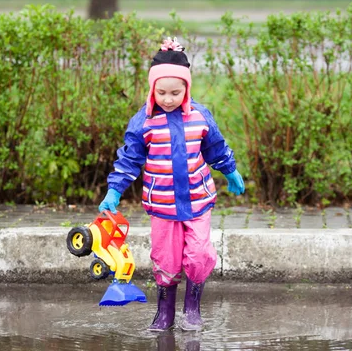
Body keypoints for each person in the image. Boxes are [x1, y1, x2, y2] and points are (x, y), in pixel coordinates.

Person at [98, 37, 245, 331]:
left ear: (186, 89)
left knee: (199, 255)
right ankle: (164, 312)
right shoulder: (144, 122)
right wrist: (114, 191)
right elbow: (128, 160)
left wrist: (230, 171)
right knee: (166, 259)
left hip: (197, 200)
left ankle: (192, 309)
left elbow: (215, 147)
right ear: (152, 90)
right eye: (161, 92)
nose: (168, 99)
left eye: (175, 92)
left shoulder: (200, 116)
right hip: (163, 205)